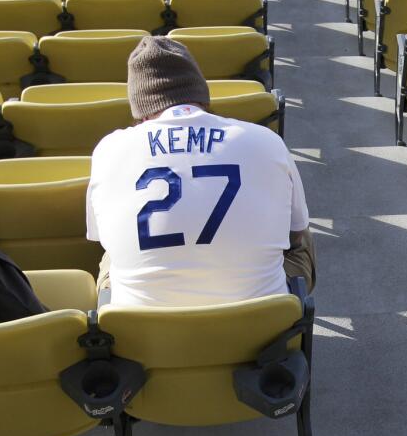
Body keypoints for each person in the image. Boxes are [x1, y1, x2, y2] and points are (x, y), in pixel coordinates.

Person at [86, 36, 314, 306]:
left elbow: (100, 235)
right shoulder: (267, 141)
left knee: (111, 255)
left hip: (145, 338)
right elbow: (295, 233)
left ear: (141, 108)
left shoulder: (109, 150)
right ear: (200, 96)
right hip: (259, 330)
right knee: (301, 232)